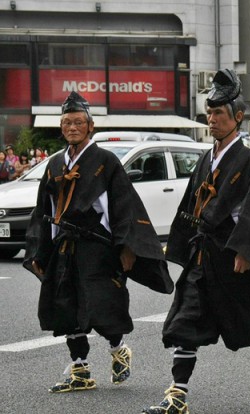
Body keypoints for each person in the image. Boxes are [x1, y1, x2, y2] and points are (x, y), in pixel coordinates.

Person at [143, 69, 250, 414]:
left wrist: (246, 249)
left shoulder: (249, 160)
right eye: (209, 113)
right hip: (205, 255)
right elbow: (192, 202)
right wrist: (180, 243)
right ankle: (177, 395)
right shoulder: (206, 157)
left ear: (238, 117)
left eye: (218, 113)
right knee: (186, 321)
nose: (211, 119)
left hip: (233, 255)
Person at [22, 91, 173, 393]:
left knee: (102, 304)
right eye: (67, 123)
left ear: (90, 127)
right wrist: (40, 250)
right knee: (66, 305)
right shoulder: (54, 165)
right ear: (61, 127)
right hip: (65, 245)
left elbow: (125, 206)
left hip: (97, 245)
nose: (73, 127)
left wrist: (127, 247)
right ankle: (80, 369)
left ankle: (119, 349)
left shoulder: (105, 161)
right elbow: (44, 211)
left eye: (79, 122)